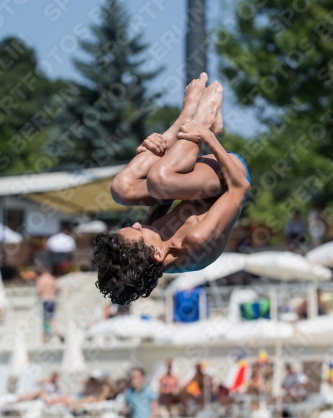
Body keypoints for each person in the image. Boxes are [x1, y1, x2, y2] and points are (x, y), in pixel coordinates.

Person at [93, 74, 251, 305]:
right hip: (229, 177)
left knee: (121, 189)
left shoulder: (151, 252)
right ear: (157, 254)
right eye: (138, 231)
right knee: (160, 180)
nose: (138, 223)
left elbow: (162, 199)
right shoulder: (196, 241)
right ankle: (201, 119)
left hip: (190, 181)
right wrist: (207, 138)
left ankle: (184, 121)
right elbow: (240, 188)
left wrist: (154, 151)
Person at [36, 266, 61, 342]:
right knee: (50, 318)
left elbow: (39, 291)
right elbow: (56, 291)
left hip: (45, 300)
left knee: (46, 320)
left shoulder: (41, 280)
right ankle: (53, 334)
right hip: (52, 300)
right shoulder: (52, 279)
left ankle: (55, 334)